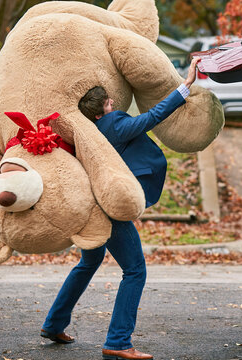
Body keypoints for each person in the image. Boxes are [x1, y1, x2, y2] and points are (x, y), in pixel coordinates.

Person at [40, 57, 200, 360]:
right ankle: (118, 341)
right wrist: (185, 87)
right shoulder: (115, 124)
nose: (114, 102)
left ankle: (54, 323)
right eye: (111, 100)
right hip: (108, 207)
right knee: (135, 270)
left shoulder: (87, 132)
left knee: (90, 260)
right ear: (105, 107)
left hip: (91, 204)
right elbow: (151, 118)